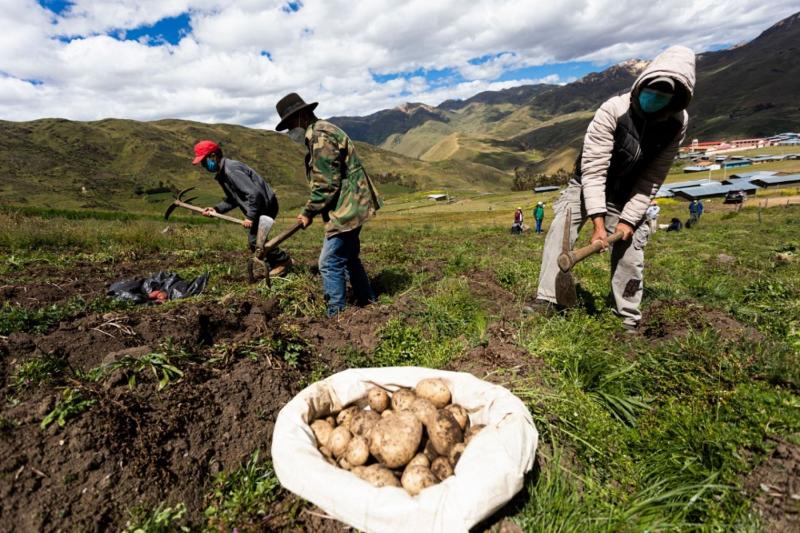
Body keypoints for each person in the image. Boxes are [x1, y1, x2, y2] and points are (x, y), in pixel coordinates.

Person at [527, 45, 695, 331]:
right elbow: (594, 170)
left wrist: (629, 219)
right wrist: (598, 222)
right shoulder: (613, 110)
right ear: (640, 86)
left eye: (662, 96)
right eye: (650, 92)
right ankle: (547, 299)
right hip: (587, 185)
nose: (654, 99)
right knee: (560, 230)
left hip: (630, 192)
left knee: (631, 250)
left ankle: (627, 318)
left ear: (675, 100)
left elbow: (652, 178)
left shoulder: (676, 123)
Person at [275, 93, 382, 317]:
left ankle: (336, 315)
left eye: (291, 122)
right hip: (353, 202)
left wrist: (308, 211)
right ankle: (369, 302)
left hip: (349, 206)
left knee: (329, 262)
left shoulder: (321, 137)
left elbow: (327, 184)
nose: (291, 129)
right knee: (350, 258)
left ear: (302, 116)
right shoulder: (322, 131)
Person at [192, 140, 292, 275]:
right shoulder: (223, 174)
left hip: (265, 206)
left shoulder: (231, 171)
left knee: (255, 241)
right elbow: (233, 199)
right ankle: (273, 266)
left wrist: (250, 216)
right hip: (260, 206)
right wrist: (216, 209)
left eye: (204, 161)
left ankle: (283, 261)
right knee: (257, 241)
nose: (204, 166)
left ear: (213, 156)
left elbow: (254, 194)